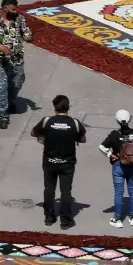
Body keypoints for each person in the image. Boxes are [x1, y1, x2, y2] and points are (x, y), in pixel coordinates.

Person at [32, 93, 86, 227]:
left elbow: (33, 133)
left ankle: (49, 218)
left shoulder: (47, 121)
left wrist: (46, 136)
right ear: (68, 108)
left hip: (49, 162)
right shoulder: (74, 123)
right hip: (67, 163)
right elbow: (83, 139)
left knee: (49, 189)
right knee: (66, 191)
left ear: (54, 107)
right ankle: (65, 220)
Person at [0, 0, 32, 129]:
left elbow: (26, 33)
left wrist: (28, 37)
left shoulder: (19, 19)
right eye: (13, 9)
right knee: (1, 89)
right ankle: (3, 116)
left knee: (17, 82)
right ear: (5, 8)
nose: (16, 11)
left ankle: (10, 100)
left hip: (17, 61)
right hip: (0, 61)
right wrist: (0, 48)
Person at [101, 109, 133, 228]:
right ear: (129, 119)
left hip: (119, 166)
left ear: (117, 120)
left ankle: (117, 219)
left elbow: (102, 146)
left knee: (118, 193)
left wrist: (110, 155)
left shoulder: (114, 134)